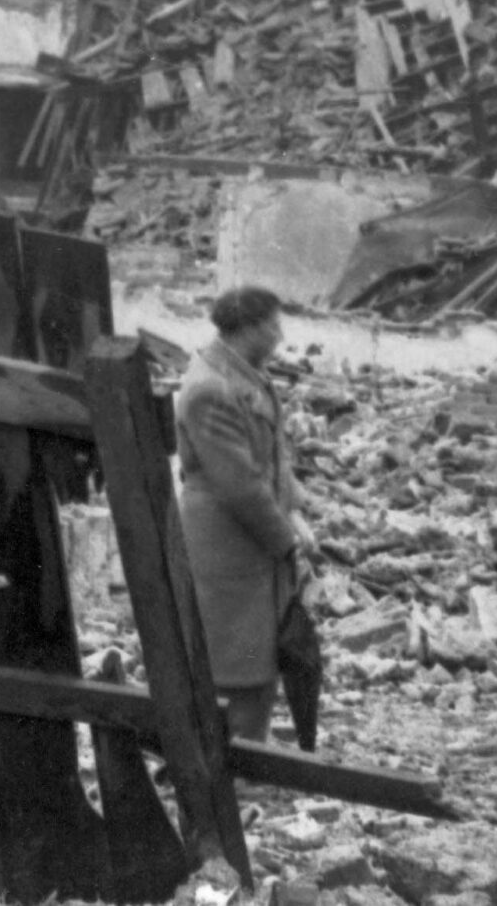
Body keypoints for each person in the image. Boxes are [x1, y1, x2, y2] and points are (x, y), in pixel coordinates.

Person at [176, 285, 315, 743]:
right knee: (235, 655)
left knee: (260, 649)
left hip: (254, 539)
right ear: (249, 328)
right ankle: (232, 763)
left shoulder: (244, 374)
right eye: (273, 326)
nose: (280, 336)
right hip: (228, 543)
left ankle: (249, 749)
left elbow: (274, 455)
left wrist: (293, 509)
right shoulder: (210, 389)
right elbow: (239, 485)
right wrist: (285, 540)